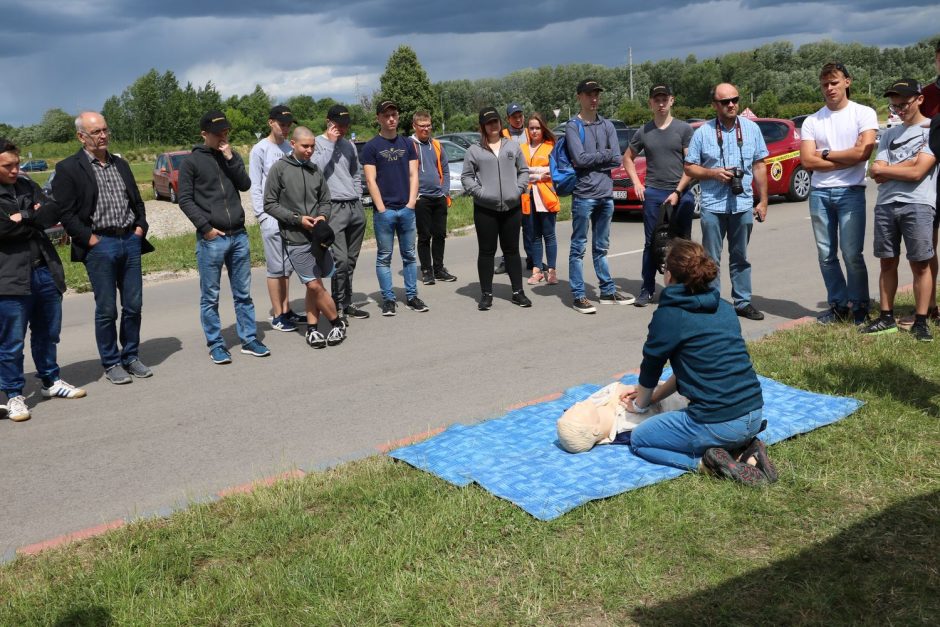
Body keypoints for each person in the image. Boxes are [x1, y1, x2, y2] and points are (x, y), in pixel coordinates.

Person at [622, 239, 776, 485]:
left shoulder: (669, 315)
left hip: (718, 422)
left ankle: (707, 464)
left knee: (640, 440)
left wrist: (640, 405)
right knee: (720, 424)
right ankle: (747, 451)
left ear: (669, 275)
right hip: (754, 413)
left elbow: (651, 367)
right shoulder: (724, 308)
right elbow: (692, 369)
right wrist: (654, 397)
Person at [53, 111, 155, 384]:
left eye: (105, 130)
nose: (103, 135)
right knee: (107, 308)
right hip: (100, 245)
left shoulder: (120, 164)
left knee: (133, 305)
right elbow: (67, 213)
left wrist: (139, 228)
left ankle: (131, 356)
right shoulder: (68, 168)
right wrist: (91, 240)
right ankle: (111, 362)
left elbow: (137, 202)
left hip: (129, 241)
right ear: (81, 136)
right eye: (96, 132)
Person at [0, 138, 86, 422]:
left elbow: (52, 212)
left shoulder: (26, 185)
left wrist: (23, 216)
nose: (15, 171)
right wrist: (33, 218)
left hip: (44, 270)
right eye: (8, 166)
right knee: (11, 341)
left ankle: (50, 381)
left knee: (48, 332)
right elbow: (4, 232)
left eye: (17, 164)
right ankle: (13, 394)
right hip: (10, 277)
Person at [178, 110, 270, 364]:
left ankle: (249, 339)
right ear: (204, 134)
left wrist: (230, 158)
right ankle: (216, 344)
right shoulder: (191, 162)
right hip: (212, 238)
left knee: (243, 294)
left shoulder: (232, 156)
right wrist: (205, 228)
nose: (223, 136)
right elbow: (184, 200)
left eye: (226, 131)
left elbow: (245, 185)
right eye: (218, 132)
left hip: (238, 235)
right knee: (210, 296)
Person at [800, 63, 879, 325]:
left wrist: (824, 153)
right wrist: (847, 157)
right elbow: (807, 162)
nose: (830, 88)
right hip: (820, 193)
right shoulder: (813, 120)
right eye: (825, 84)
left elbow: (863, 153)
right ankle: (838, 305)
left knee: (852, 253)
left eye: (834, 82)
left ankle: (859, 306)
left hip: (851, 192)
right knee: (826, 254)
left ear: (847, 81)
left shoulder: (863, 113)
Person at [684, 82, 769, 321]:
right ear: (714, 105)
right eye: (725, 101)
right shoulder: (703, 132)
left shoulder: (751, 129)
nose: (731, 105)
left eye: (735, 99)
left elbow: (760, 165)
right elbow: (689, 167)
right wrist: (713, 173)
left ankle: (742, 302)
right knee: (710, 258)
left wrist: (762, 201)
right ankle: (713, 302)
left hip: (742, 204)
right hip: (713, 204)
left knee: (740, 256)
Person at [862, 79, 937, 342]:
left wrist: (890, 169)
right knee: (887, 261)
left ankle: (921, 320)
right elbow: (876, 170)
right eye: (894, 106)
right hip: (885, 204)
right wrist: (905, 165)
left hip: (918, 203)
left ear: (919, 99)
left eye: (903, 104)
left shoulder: (932, 131)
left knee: (920, 264)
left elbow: (919, 172)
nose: (899, 110)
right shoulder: (890, 134)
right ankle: (885, 317)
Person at [265, 126, 347, 348]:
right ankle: (337, 323)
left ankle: (312, 328)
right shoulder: (279, 169)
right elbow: (269, 204)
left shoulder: (314, 170)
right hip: (294, 237)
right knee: (313, 285)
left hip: (317, 238)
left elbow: (326, 200)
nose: (310, 150)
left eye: (313, 146)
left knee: (315, 284)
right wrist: (296, 219)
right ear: (293, 144)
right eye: (305, 146)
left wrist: (322, 216)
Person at [623, 84, 696, 307]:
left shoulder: (684, 129)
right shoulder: (644, 131)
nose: (661, 103)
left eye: (665, 99)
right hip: (654, 193)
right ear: (650, 103)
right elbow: (627, 158)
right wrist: (637, 183)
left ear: (672, 101)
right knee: (652, 244)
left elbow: (691, 165)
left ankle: (683, 289)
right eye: (657, 100)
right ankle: (647, 289)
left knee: (682, 244)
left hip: (681, 193)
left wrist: (678, 191)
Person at [566, 78, 634, 314]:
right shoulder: (573, 126)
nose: (593, 98)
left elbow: (616, 158)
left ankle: (607, 290)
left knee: (601, 246)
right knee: (579, 246)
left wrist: (596, 156)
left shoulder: (607, 126)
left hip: (606, 194)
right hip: (584, 194)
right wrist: (602, 155)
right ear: (579, 97)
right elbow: (579, 159)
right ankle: (578, 295)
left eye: (596, 94)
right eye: (588, 94)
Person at [361, 100, 428, 316]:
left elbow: (413, 174)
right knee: (384, 257)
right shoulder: (371, 147)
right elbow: (370, 181)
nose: (391, 119)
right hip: (385, 212)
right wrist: (381, 209)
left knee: (409, 255)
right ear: (378, 118)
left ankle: (412, 296)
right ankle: (388, 299)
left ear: (398, 117)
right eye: (386, 115)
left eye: (394, 114)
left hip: (406, 209)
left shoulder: (408, 144)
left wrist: (410, 203)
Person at [461, 107, 531, 310]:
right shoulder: (474, 150)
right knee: (486, 252)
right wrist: (481, 193)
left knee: (512, 251)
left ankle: (518, 292)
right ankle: (486, 294)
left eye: (496, 121)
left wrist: (518, 190)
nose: (493, 125)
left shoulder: (512, 147)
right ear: (482, 126)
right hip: (485, 209)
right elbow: (466, 177)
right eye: (489, 122)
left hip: (511, 207)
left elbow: (523, 170)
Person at [313, 104, 370, 320]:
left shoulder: (350, 146)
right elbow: (315, 171)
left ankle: (347, 303)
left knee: (351, 261)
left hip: (353, 206)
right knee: (341, 261)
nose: (343, 129)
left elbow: (355, 173)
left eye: (346, 125)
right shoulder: (317, 143)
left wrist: (357, 196)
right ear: (329, 122)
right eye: (339, 125)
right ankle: (336, 307)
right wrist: (330, 143)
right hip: (333, 207)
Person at [250, 104, 304, 332]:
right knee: (275, 267)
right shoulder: (260, 149)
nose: (285, 128)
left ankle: (286, 308)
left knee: (287, 265)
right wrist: (262, 216)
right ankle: (278, 315)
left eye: (288, 124)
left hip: (290, 215)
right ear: (270, 122)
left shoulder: (289, 148)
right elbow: (255, 185)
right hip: (271, 216)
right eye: (281, 124)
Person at [556, 381, 687, 453]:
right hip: (682, 399)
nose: (577, 403)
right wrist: (643, 401)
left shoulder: (594, 402)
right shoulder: (626, 430)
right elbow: (665, 421)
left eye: (569, 409)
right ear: (594, 430)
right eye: (575, 411)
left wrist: (637, 391)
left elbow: (618, 386)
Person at [409, 110, 456, 286]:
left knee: (440, 234)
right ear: (415, 126)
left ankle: (439, 268)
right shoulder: (409, 145)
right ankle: (426, 270)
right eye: (422, 126)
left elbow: (445, 169)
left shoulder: (436, 145)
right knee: (424, 236)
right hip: (421, 198)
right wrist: (413, 197)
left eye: (428, 125)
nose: (426, 129)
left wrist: (445, 192)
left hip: (439, 197)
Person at [521, 113, 560, 285]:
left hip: (546, 196)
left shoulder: (552, 146)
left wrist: (533, 173)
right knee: (534, 236)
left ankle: (551, 271)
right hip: (528, 197)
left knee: (549, 235)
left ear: (543, 129)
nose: (534, 131)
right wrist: (539, 172)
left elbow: (554, 171)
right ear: (527, 130)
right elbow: (520, 172)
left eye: (537, 128)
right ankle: (537, 269)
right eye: (531, 128)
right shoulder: (521, 148)